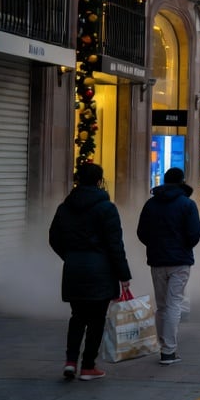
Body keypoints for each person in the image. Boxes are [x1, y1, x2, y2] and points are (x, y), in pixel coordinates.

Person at [49, 162, 132, 381]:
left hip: (74, 269)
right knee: (96, 320)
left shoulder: (65, 207)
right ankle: (87, 366)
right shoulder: (107, 208)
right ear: (99, 181)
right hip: (101, 271)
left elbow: (54, 238)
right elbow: (115, 244)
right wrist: (124, 275)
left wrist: (70, 256)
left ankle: (70, 362)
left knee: (77, 317)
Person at [136, 167, 200, 365]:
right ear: (182, 181)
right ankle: (169, 351)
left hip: (157, 260)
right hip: (179, 261)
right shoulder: (187, 204)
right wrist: (184, 246)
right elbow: (194, 233)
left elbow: (142, 232)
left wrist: (155, 245)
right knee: (174, 304)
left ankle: (162, 346)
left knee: (162, 305)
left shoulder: (151, 204)